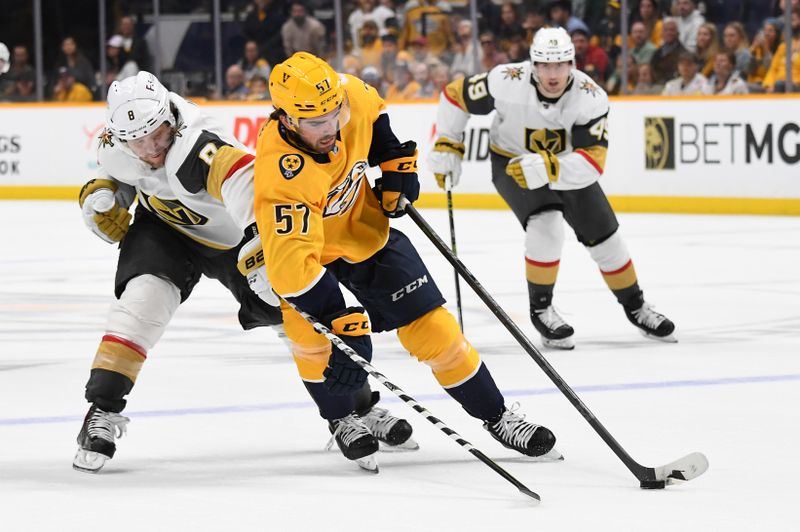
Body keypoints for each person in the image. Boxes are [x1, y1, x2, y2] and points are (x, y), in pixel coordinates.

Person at [73, 70, 414, 473]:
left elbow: (247, 186)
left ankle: (354, 407)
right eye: (138, 140)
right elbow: (119, 172)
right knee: (141, 303)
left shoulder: (200, 143)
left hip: (237, 239)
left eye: (159, 134)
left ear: (172, 118)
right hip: (167, 230)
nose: (150, 148)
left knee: (297, 321)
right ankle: (101, 412)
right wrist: (101, 193)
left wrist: (264, 253)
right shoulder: (117, 140)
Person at [254, 52, 557, 470]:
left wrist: (396, 170)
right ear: (286, 119)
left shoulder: (349, 96)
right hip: (309, 258)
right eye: (315, 123)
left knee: (436, 332)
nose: (330, 129)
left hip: (364, 234)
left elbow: (375, 122)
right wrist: (341, 323)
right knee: (312, 341)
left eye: (334, 116)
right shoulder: (281, 176)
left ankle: (498, 416)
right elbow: (291, 271)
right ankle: (341, 417)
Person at [428, 27, 676, 350]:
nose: (552, 74)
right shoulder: (506, 80)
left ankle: (636, 306)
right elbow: (454, 95)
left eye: (560, 65)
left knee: (607, 239)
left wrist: (550, 168)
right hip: (512, 164)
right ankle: (542, 309)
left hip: (567, 167)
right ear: (533, 64)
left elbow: (593, 160)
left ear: (572, 63)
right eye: (545, 65)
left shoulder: (590, 97)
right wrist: (448, 141)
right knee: (546, 225)